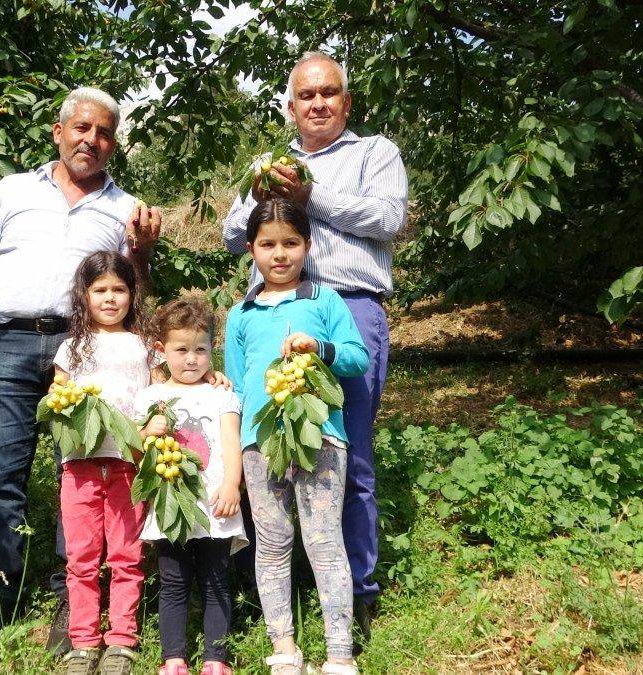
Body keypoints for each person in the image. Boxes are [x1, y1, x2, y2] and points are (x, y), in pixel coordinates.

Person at [0, 86, 162, 658]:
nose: (91, 141)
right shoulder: (13, 190)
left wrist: (143, 251)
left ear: (114, 144)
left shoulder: (127, 208)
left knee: (82, 473)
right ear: (58, 131)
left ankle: (70, 603)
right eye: (82, 128)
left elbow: (132, 291)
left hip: (86, 351)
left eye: (104, 134)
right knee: (0, 478)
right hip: (8, 345)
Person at [222, 51, 408, 643]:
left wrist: (311, 195)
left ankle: (356, 591)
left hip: (347, 308)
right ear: (291, 106)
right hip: (271, 315)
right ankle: (275, 584)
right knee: (262, 446)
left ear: (346, 102)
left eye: (329, 93)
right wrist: (264, 197)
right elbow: (231, 236)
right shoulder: (268, 165)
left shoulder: (374, 152)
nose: (318, 103)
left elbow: (389, 219)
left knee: (346, 453)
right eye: (306, 95)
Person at [224, 198, 368, 675]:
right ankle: (283, 647)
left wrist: (319, 347)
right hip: (259, 443)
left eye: (290, 243)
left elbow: (357, 358)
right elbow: (235, 386)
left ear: (307, 245)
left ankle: (340, 651)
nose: (279, 254)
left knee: (324, 540)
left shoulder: (325, 301)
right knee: (271, 541)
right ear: (251, 249)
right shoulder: (240, 314)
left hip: (320, 438)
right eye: (267, 244)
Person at [52, 251, 158, 675]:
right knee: (80, 557)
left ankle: (122, 640)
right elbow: (58, 396)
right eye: (100, 290)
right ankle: (83, 642)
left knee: (126, 556)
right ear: (84, 295)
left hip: (128, 465)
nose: (110, 298)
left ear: (133, 295)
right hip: (79, 466)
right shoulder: (71, 346)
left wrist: (210, 378)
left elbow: (165, 390)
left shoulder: (144, 345)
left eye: (119, 289)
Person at [136, 296, 247, 675]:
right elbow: (135, 453)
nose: (191, 359)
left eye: (200, 350)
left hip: (216, 503)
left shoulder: (221, 394)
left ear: (212, 348)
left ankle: (216, 658)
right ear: (161, 349)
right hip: (171, 505)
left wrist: (232, 484)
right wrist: (145, 432)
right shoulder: (151, 397)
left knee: (216, 581)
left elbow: (231, 441)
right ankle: (173, 658)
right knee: (173, 581)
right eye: (181, 350)